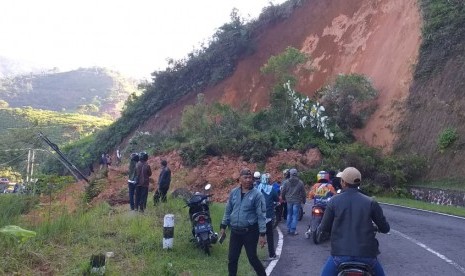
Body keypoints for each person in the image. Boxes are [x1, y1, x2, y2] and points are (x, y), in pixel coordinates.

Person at [319, 167, 390, 276]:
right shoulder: (371, 202)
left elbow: (324, 228)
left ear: (343, 182)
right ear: (359, 182)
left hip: (339, 256)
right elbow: (385, 228)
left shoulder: (333, 201)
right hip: (367, 256)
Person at [219, 168, 267, 276]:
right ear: (240, 179)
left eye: (250, 177)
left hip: (250, 232)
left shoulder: (257, 195)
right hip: (235, 232)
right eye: (245, 177)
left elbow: (261, 215)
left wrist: (262, 234)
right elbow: (228, 210)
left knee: (252, 258)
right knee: (232, 259)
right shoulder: (234, 193)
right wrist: (223, 226)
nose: (248, 180)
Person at [256, 173, 279, 260]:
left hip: (257, 216)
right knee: (269, 235)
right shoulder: (271, 189)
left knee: (256, 235)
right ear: (268, 180)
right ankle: (272, 255)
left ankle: (254, 255)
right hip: (268, 216)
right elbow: (276, 198)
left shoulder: (257, 189)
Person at [281, 168, 306, 235]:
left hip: (289, 201)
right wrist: (304, 200)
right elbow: (303, 193)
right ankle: (293, 230)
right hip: (297, 201)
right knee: (295, 215)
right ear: (296, 174)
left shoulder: (286, 182)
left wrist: (283, 198)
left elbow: (283, 191)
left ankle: (288, 229)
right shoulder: (300, 183)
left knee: (289, 214)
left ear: (290, 174)